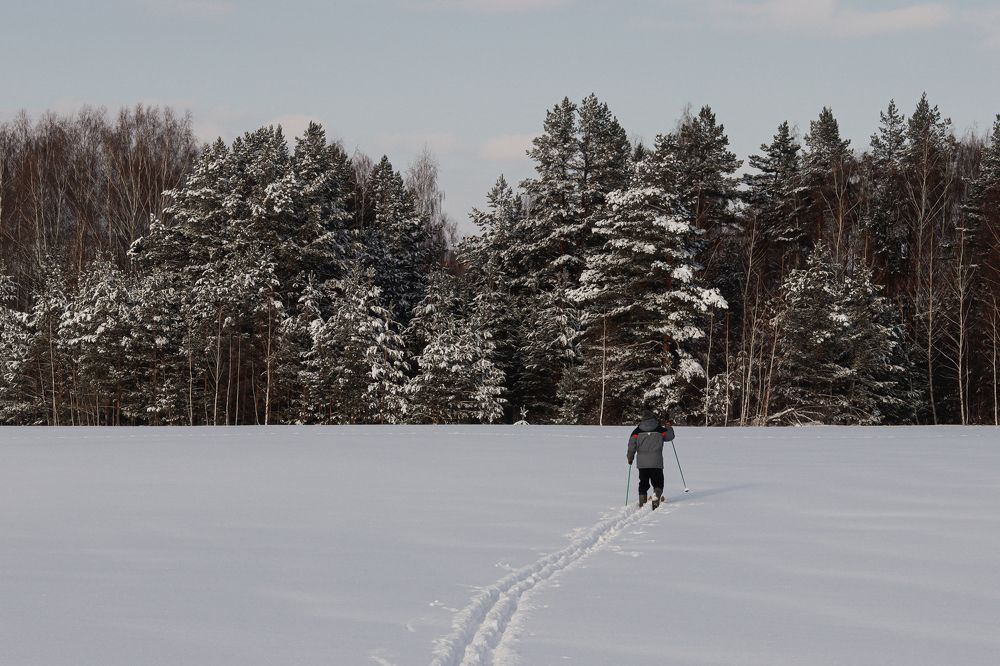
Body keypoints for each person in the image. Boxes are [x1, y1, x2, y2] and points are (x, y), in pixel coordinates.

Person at [626, 408, 675, 509]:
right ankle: (656, 495)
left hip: (642, 463)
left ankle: (642, 501)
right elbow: (670, 436)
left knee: (643, 482)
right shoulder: (659, 429)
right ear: (652, 417)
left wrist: (630, 458)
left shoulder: (637, 431)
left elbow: (631, 446)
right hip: (656, 461)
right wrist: (669, 427)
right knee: (658, 481)